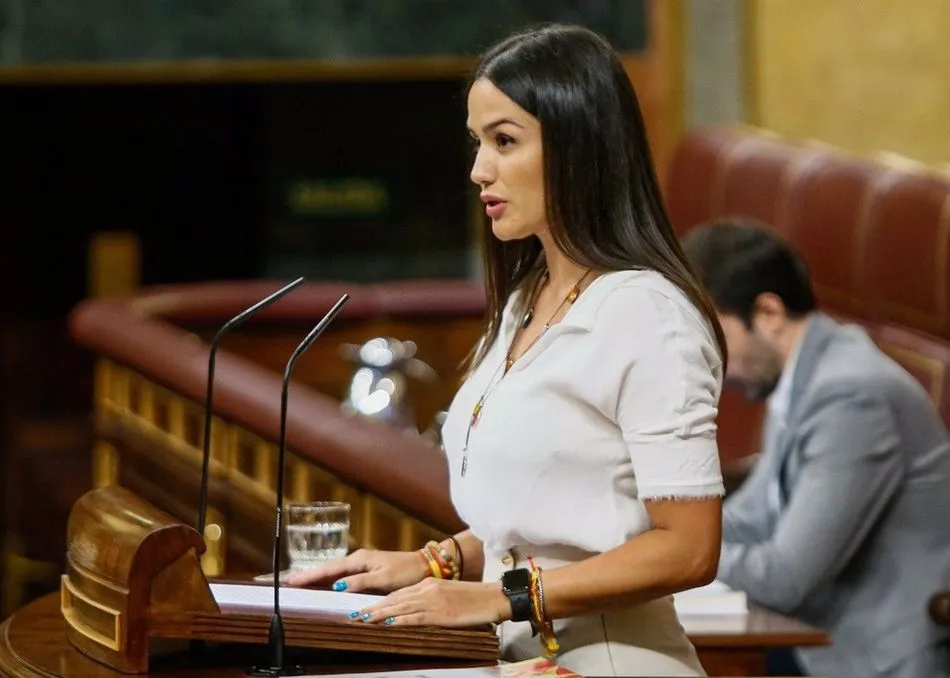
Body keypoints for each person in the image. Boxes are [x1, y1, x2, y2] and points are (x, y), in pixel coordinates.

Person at [289, 23, 727, 676]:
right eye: (477, 142)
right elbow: (546, 521)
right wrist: (433, 564)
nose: (478, 170)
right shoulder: (527, 297)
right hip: (522, 658)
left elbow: (689, 549)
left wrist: (499, 598)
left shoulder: (647, 313)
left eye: (504, 141)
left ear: (578, 148)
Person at [681, 218, 950, 678]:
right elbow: (755, 515)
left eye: (715, 335)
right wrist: (656, 531)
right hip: (820, 646)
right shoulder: (805, 375)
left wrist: (681, 549)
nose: (714, 362)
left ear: (767, 313)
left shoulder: (851, 395)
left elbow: (785, 578)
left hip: (878, 661)